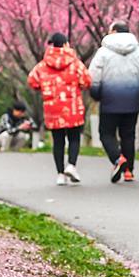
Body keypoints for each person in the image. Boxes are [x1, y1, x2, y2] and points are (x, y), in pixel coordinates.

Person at [88, 21, 139, 183]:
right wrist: (138, 89)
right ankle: (129, 172)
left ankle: (118, 159)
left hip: (109, 99)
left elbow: (93, 76)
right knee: (128, 135)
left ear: (114, 31)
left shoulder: (103, 52)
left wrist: (96, 94)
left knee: (106, 134)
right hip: (131, 100)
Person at [28, 33, 92, 186]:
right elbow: (87, 80)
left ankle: (60, 175)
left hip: (53, 109)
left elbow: (32, 80)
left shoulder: (43, 65)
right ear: (65, 44)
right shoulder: (75, 63)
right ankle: (71, 165)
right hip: (72, 107)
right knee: (74, 138)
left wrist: (44, 88)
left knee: (58, 142)